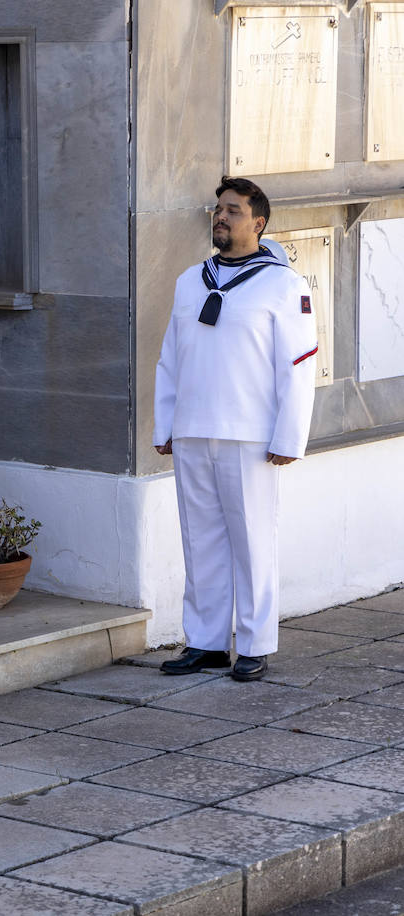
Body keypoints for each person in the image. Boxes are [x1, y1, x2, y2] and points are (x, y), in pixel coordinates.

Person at [153, 176, 318, 682]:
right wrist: (166, 425)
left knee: (251, 542)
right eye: (218, 209)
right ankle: (204, 643)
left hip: (250, 436)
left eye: (233, 210)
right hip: (193, 431)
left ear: (258, 223)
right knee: (199, 539)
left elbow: (300, 363)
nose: (220, 217)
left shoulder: (285, 285)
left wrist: (288, 437)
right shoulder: (188, 280)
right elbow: (170, 359)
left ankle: (253, 643)